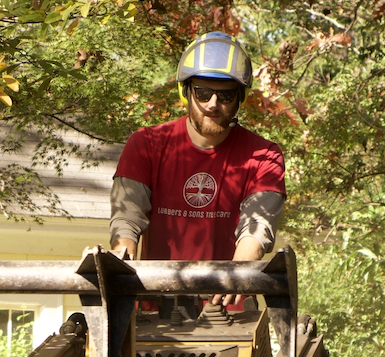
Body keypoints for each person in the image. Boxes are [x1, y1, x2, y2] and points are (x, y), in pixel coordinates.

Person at [108, 32, 285, 267]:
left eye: (225, 95)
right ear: (186, 93)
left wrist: (232, 280)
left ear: (239, 98)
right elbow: (126, 220)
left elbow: (257, 229)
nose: (213, 103)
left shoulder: (264, 156)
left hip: (231, 301)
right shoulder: (146, 144)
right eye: (203, 93)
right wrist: (121, 263)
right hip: (156, 299)